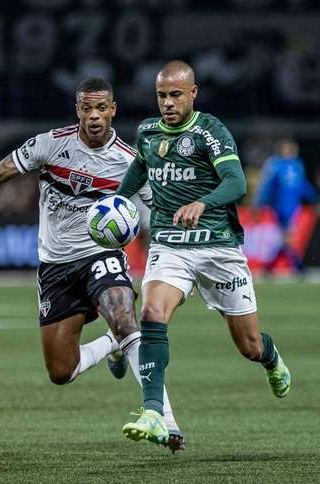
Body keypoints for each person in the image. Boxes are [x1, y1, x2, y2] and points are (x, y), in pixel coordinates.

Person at [0, 78, 186, 452]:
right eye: (86, 108)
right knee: (61, 371)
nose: (93, 116)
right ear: (77, 110)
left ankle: (164, 418)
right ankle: (114, 343)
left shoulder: (130, 162)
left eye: (101, 108)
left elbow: (159, 214)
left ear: (113, 110)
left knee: (122, 311)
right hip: (55, 267)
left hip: (101, 254)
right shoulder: (49, 144)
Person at [116, 61, 292, 446]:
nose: (167, 103)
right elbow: (140, 169)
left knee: (249, 346)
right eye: (161, 95)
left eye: (175, 95)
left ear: (193, 94)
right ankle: (153, 413)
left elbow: (236, 182)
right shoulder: (147, 131)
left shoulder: (209, 131)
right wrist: (116, 201)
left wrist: (202, 202)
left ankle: (272, 358)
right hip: (169, 243)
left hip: (218, 247)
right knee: (152, 312)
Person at [254, 137, 318, 273]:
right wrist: (260, 203)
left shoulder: (298, 165)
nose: (292, 151)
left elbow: (303, 185)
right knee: (287, 237)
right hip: (280, 207)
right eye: (289, 148)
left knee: (286, 237)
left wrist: (314, 198)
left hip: (294, 206)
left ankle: (272, 265)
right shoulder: (276, 165)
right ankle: (296, 264)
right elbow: (268, 186)